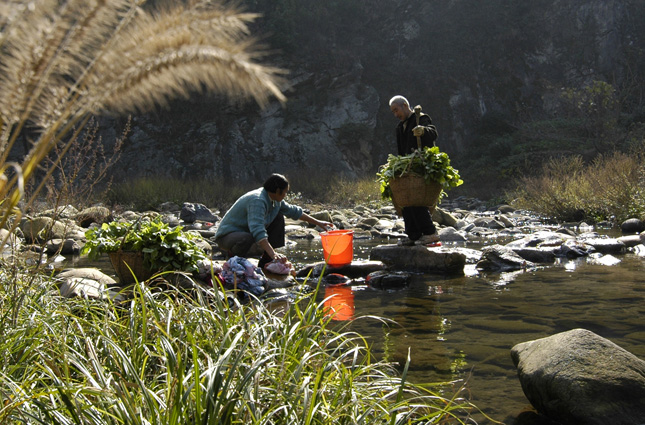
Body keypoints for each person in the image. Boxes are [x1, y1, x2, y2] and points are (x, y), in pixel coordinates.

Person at [215, 173, 334, 268]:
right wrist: (274, 254)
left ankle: (266, 260)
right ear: (277, 191)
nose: (285, 195)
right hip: (227, 236)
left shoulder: (275, 200)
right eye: (285, 192)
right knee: (247, 238)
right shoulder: (257, 200)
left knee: (278, 217)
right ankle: (233, 258)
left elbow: (294, 211)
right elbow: (257, 230)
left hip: (244, 232)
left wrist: (318, 222)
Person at [389, 95, 441, 246]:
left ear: (405, 105)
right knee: (405, 200)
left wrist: (423, 131)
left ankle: (430, 233)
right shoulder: (400, 127)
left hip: (420, 164)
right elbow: (400, 150)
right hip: (406, 166)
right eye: (393, 112)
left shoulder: (420, 118)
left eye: (396, 110)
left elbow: (433, 133)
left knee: (417, 199)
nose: (395, 114)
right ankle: (413, 235)